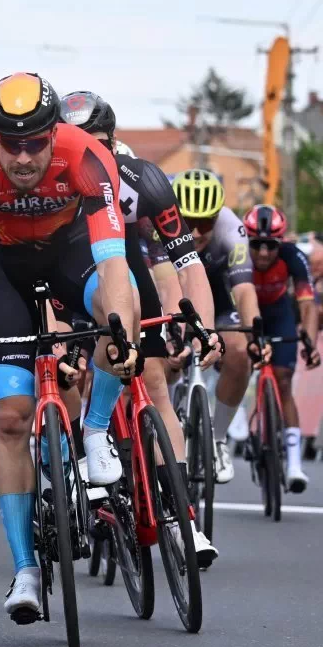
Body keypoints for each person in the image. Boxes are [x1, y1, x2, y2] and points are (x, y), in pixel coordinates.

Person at [0, 72, 137, 623]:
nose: (23, 157)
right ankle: (26, 568)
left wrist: (120, 333)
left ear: (55, 133)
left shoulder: (88, 156)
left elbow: (113, 261)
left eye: (35, 142)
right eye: (11, 143)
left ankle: (96, 430)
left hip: (69, 255)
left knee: (121, 313)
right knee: (10, 416)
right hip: (1, 268)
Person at [62, 90, 220, 566]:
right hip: (66, 273)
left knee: (155, 384)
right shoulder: (52, 187)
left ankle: (182, 519)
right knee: (61, 364)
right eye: (78, 142)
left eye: (101, 142)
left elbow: (188, 265)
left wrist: (205, 329)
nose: (91, 153)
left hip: (122, 270)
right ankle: (77, 464)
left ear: (115, 142)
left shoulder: (144, 181)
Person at [172, 168, 269, 485]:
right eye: (189, 222)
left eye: (206, 222)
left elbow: (243, 290)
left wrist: (255, 334)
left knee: (240, 354)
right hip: (172, 290)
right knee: (164, 355)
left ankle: (218, 439)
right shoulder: (159, 223)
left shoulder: (232, 228)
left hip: (219, 292)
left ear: (218, 216)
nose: (197, 232)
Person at [242, 204, 318, 492]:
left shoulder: (293, 256)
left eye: (270, 246)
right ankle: (237, 423)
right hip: (245, 314)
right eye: (257, 245)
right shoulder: (236, 254)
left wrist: (309, 343)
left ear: (281, 243)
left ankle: (295, 465)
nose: (263, 253)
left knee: (284, 381)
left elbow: (307, 305)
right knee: (239, 364)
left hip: (279, 315)